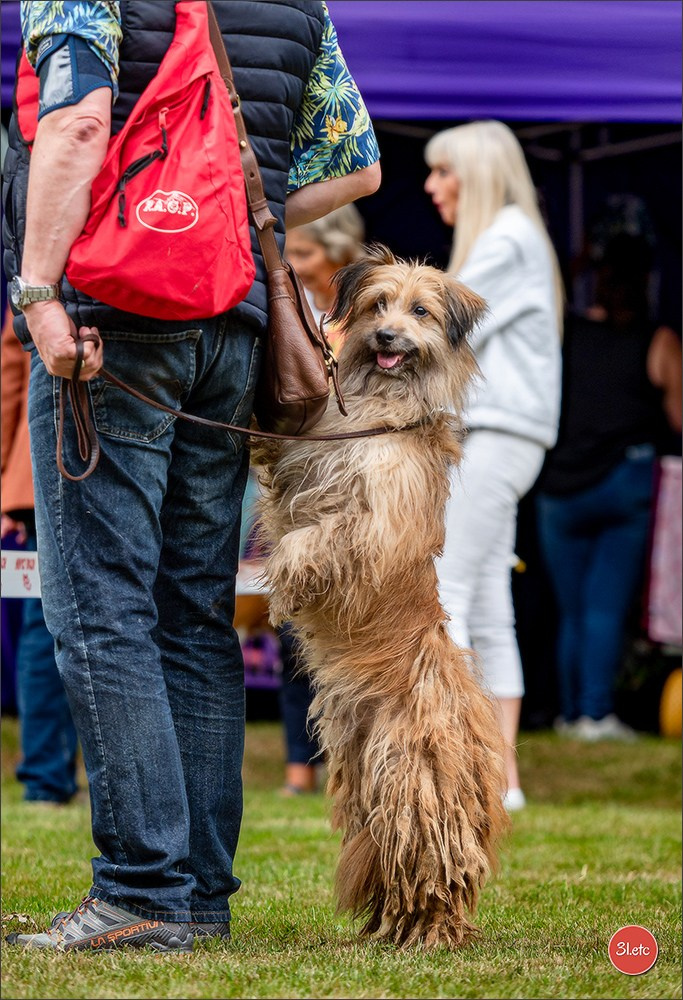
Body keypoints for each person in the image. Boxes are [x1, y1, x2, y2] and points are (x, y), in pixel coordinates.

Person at [4, 0, 380, 953]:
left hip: (112, 310)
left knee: (102, 607)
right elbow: (356, 164)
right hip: (233, 318)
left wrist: (39, 293)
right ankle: (197, 897)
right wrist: (218, 219)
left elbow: (77, 123)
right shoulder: (302, 4)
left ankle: (141, 891)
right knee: (193, 612)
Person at [424, 120, 563, 812]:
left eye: (443, 171)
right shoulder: (517, 235)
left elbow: (437, 317)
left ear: (475, 175)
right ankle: (501, 781)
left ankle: (450, 761)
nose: (431, 186)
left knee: (446, 591)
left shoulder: (505, 238)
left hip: (495, 433)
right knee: (485, 599)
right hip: (509, 434)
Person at [535, 233, 682, 741]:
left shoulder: (563, 332)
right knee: (604, 607)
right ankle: (595, 716)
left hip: (558, 489)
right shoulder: (658, 340)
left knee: (572, 610)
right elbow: (679, 418)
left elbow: (548, 290)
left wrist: (579, 263)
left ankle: (570, 713)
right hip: (623, 486)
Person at [276, 204, 366, 795]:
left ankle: (350, 763)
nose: (295, 265)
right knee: (295, 622)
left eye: (305, 254)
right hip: (301, 477)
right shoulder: (293, 302)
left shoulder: (375, 311)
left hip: (354, 483)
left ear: (339, 253)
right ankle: (298, 766)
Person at [1, 305, 79, 805]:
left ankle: (47, 778)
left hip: (39, 467)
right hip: (50, 469)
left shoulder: (35, 279)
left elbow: (11, 372)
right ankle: (48, 776)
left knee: (44, 625)